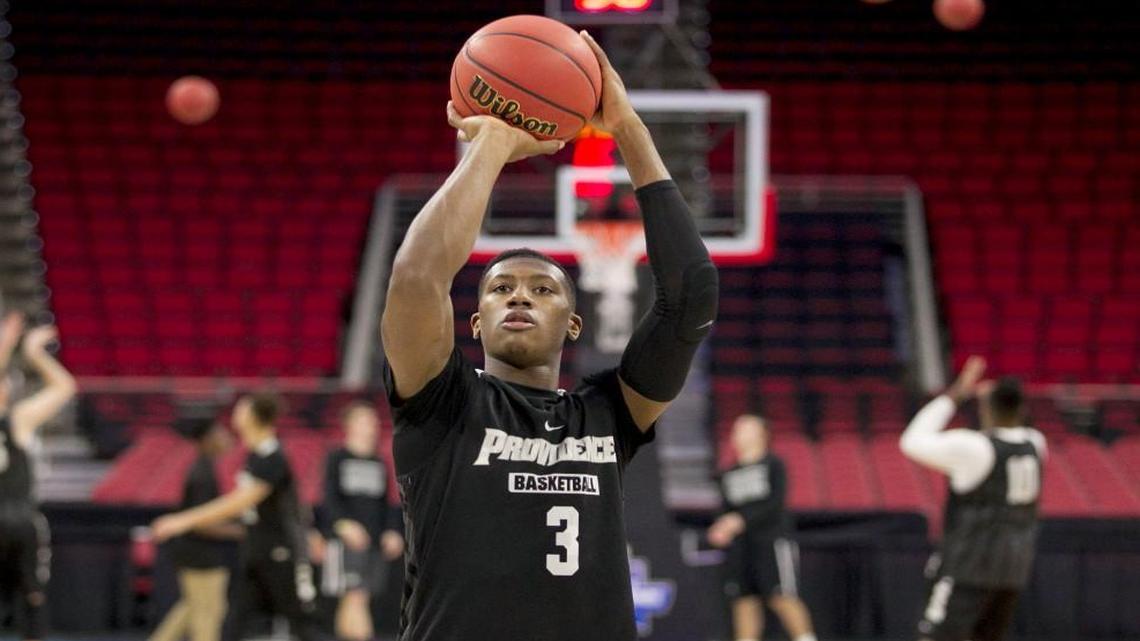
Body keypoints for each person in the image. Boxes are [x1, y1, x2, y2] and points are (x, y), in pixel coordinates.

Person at [379, 31, 718, 641]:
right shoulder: (442, 405)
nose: (519, 297)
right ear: (475, 322)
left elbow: (690, 296)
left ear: (574, 323)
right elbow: (416, 277)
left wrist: (628, 129)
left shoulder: (609, 414)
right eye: (501, 289)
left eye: (543, 290)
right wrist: (493, 146)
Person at [152, 392, 323, 641]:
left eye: (241, 410)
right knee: (233, 625)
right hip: (255, 552)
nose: (234, 415)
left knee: (302, 624)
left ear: (253, 417)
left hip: (281, 552)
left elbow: (239, 502)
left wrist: (181, 521)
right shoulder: (254, 457)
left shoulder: (272, 457)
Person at [900, 356, 1045, 641]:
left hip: (967, 565)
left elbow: (911, 441)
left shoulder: (977, 448)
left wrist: (956, 393)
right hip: (1012, 570)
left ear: (986, 408)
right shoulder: (1036, 443)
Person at [707, 415, 817, 641]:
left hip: (771, 541)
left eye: (745, 429)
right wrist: (721, 526)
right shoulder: (728, 473)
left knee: (782, 595)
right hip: (741, 547)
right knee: (744, 600)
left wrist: (741, 521)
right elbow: (726, 509)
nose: (738, 434)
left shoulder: (774, 464)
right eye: (736, 430)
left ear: (762, 434)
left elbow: (775, 504)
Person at [0, 325, 78, 641]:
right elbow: (65, 386)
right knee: (32, 599)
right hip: (19, 520)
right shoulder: (17, 419)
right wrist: (34, 354)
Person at [148, 415, 243, 641]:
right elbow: (203, 524)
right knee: (208, 614)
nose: (227, 439)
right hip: (201, 555)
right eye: (221, 434)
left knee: (192, 606)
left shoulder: (205, 469)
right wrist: (242, 532)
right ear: (207, 439)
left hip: (195, 552)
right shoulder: (202, 474)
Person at [318, 401, 404, 641]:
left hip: (373, 541)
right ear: (349, 425)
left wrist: (391, 531)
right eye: (365, 420)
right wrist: (343, 524)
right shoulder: (336, 458)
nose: (372, 425)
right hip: (347, 542)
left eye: (373, 421)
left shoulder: (379, 462)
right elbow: (329, 498)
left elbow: (386, 503)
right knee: (354, 596)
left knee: (359, 597)